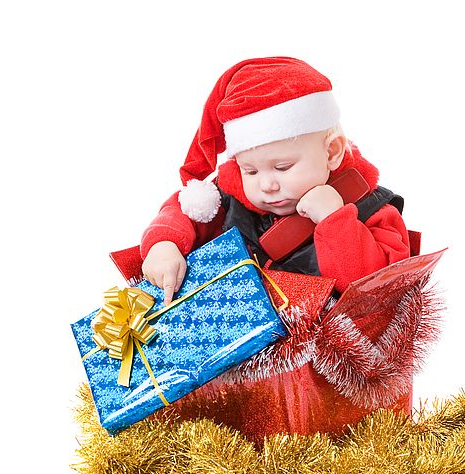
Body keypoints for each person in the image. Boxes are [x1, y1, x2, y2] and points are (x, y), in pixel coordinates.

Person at [140, 56, 410, 304]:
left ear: (332, 151)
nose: (267, 185)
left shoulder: (373, 209)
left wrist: (335, 220)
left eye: (283, 167)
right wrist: (164, 245)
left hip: (319, 349)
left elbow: (376, 290)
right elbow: (181, 210)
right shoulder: (225, 197)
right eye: (251, 171)